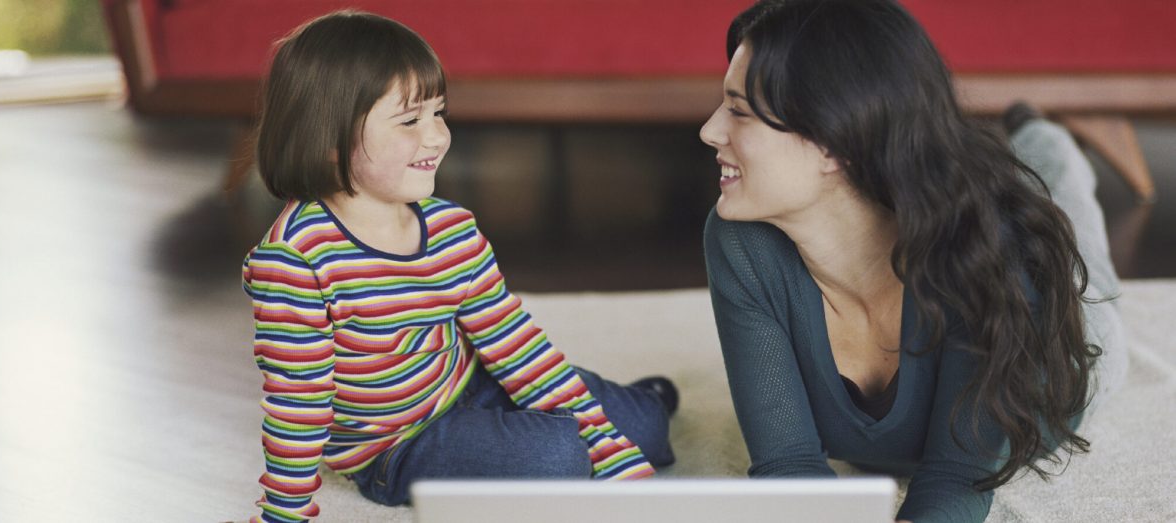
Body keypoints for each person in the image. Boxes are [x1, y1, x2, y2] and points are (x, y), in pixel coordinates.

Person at [699, 1, 1127, 521]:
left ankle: (1045, 136)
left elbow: (956, 478)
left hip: (1067, 359)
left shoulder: (992, 250)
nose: (710, 131)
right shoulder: (741, 241)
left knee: (1063, 220)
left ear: (834, 140)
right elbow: (787, 466)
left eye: (739, 111)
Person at [241, 11, 676, 523]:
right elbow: (299, 406)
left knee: (640, 433)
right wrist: (282, 516)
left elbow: (514, 344)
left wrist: (611, 446)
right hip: (398, 446)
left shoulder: (451, 227)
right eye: (409, 121)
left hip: (471, 381)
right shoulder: (296, 259)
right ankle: (597, 420)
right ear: (328, 138)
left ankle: (641, 402)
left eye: (438, 113)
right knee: (559, 458)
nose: (437, 137)